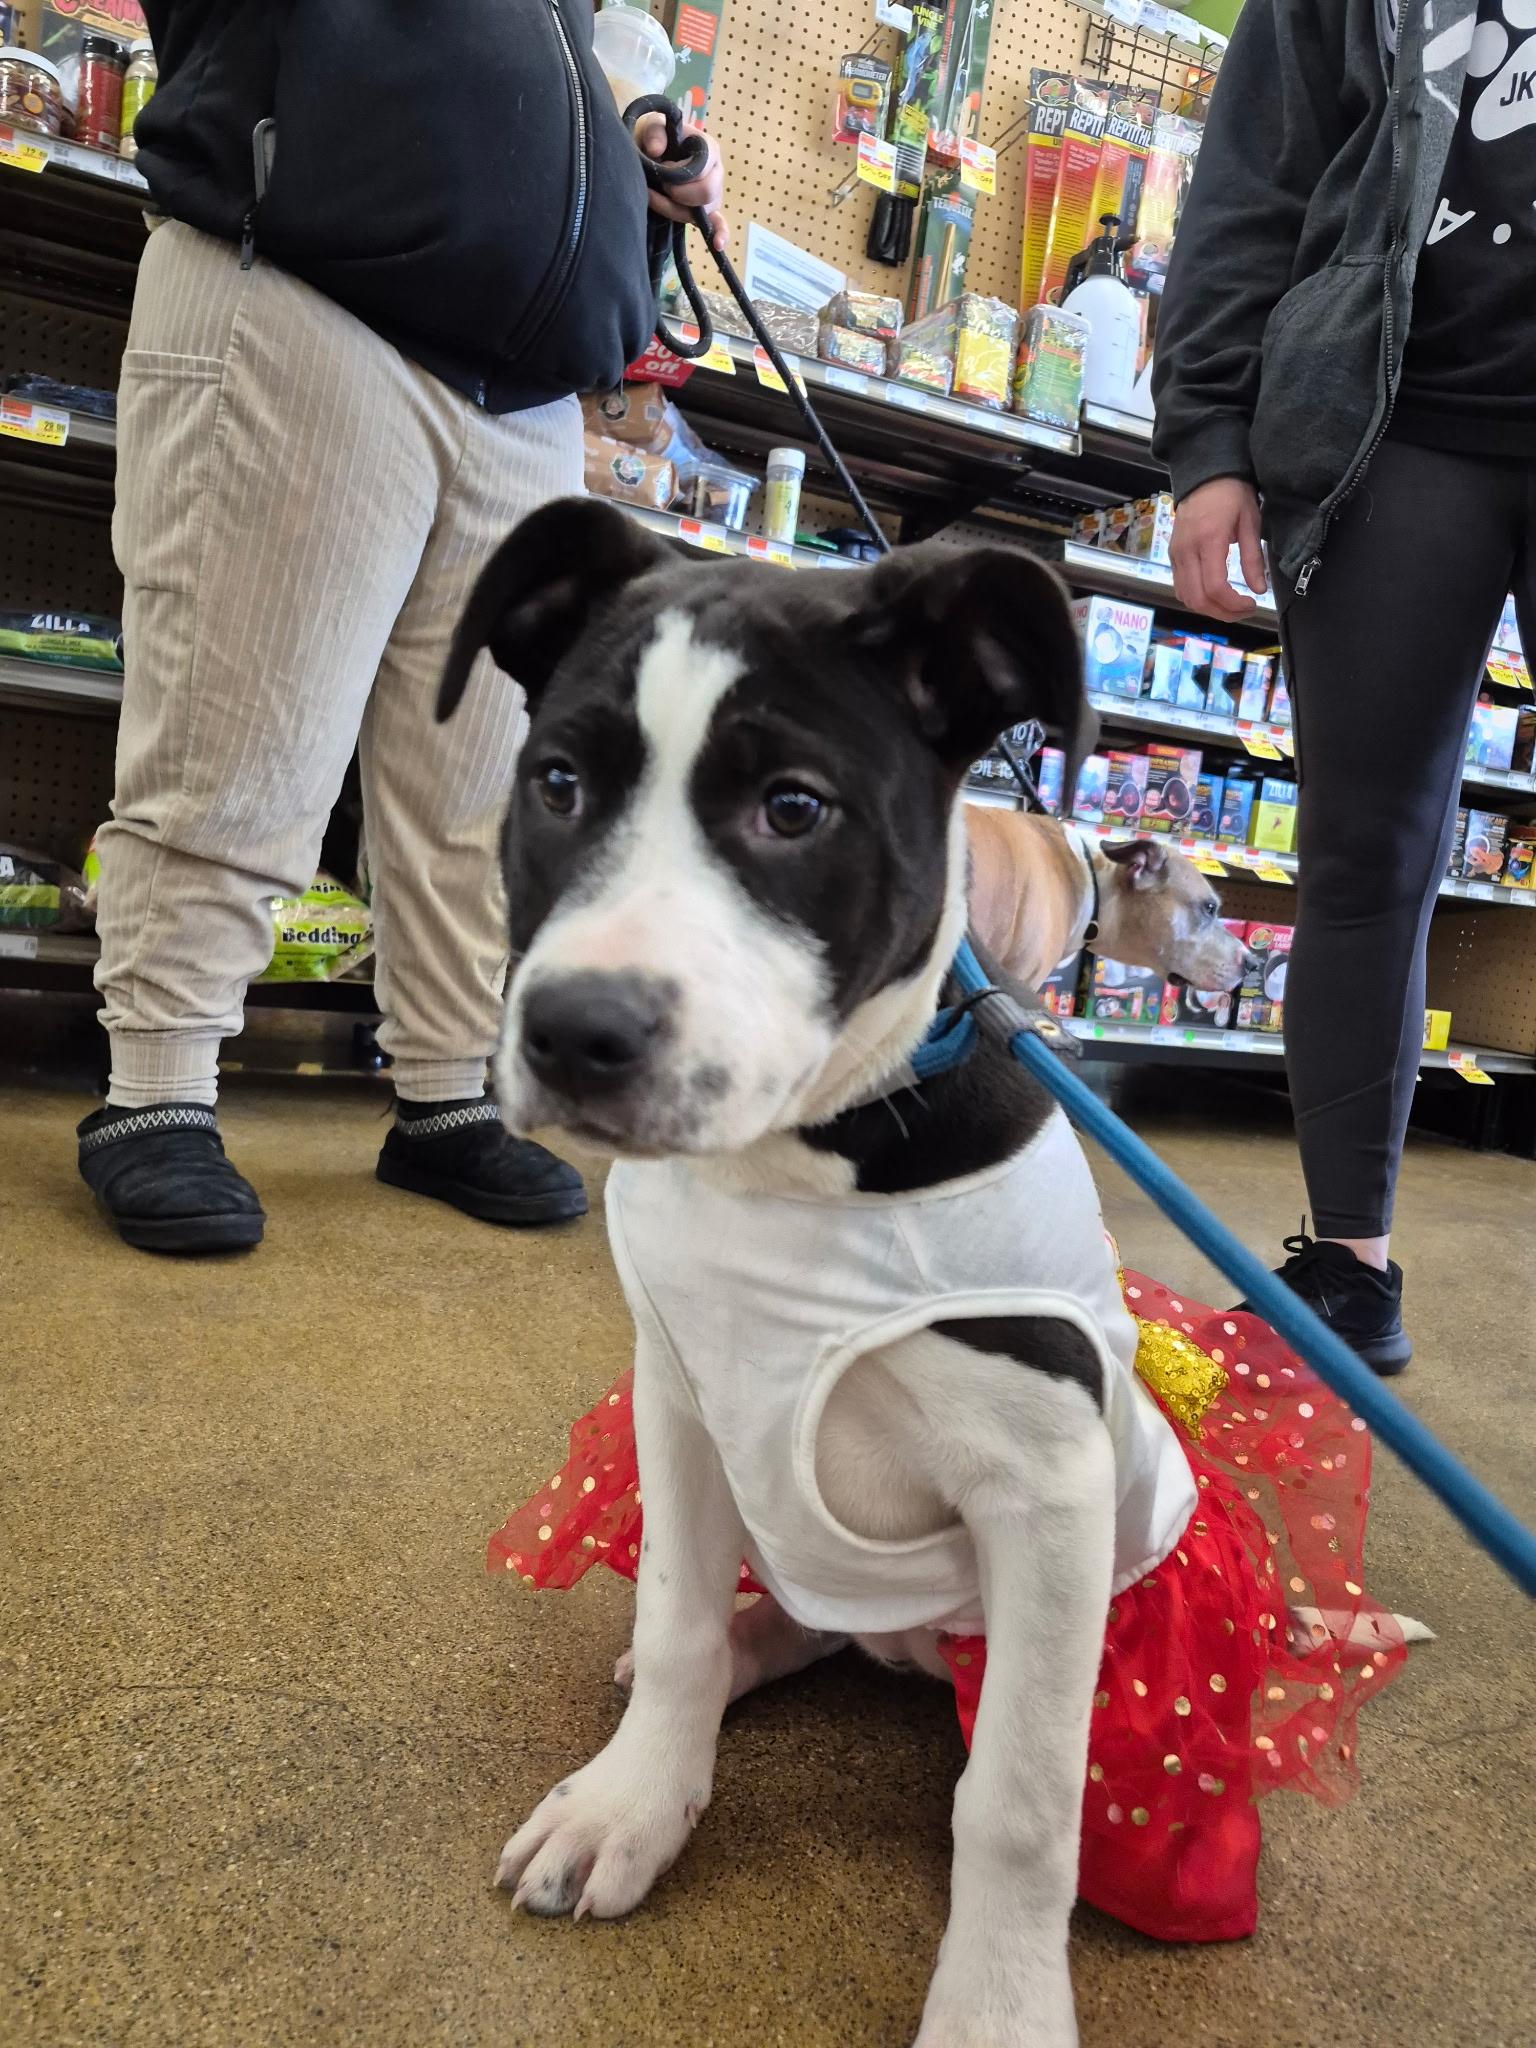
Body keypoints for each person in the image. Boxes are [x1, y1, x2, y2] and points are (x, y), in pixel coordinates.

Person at [76, 1, 724, 1255]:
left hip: (526, 389)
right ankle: (155, 1083)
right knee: (243, 730)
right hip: (307, 282)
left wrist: (613, 152)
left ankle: (445, 1089)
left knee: (484, 788)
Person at [1152, 0, 1533, 1372]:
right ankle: (1350, 1268)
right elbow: (1254, 181)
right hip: (1391, 427)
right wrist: (1208, 439)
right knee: (1364, 855)